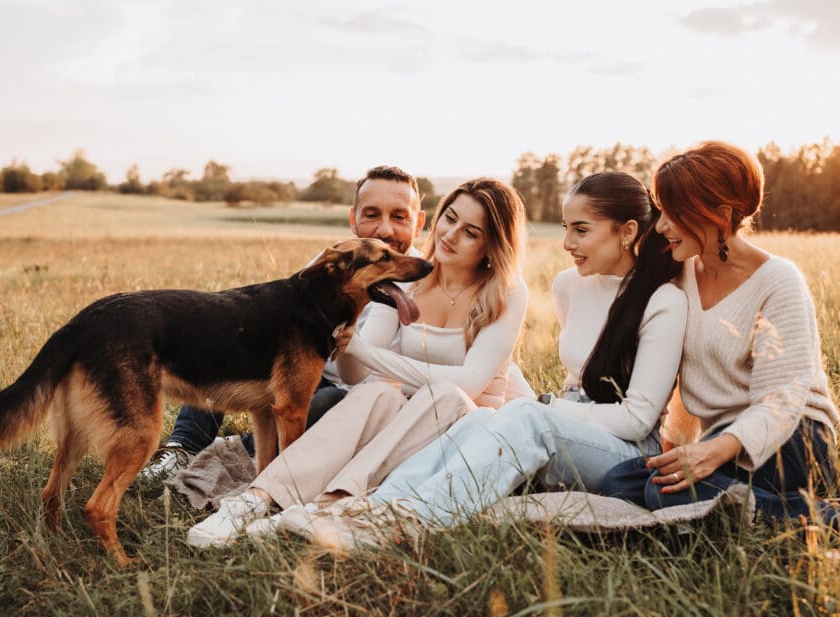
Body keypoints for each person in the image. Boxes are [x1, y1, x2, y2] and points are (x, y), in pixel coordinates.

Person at [286, 171, 688, 542]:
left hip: (628, 450)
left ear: (627, 231)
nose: (567, 244)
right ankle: (365, 508)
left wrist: (547, 409)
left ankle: (409, 521)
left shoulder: (664, 301)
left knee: (527, 417)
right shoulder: (569, 285)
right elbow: (574, 382)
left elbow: (636, 421)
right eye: (567, 229)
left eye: (581, 230)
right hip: (572, 423)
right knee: (480, 418)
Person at [186, 178, 530, 547]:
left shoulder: (506, 290)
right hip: (401, 427)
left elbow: (470, 383)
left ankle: (329, 507)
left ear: (492, 244)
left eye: (471, 232)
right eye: (449, 219)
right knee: (376, 391)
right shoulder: (407, 280)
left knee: (446, 394)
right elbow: (356, 374)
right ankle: (254, 500)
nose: (450, 234)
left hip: (468, 431)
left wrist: (365, 351)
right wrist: (350, 336)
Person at [601, 141, 840, 520]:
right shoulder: (680, 275)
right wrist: (676, 448)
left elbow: (779, 403)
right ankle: (770, 509)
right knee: (618, 483)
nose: (662, 226)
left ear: (721, 215)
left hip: (794, 438)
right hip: (723, 439)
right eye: (661, 211)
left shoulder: (778, 281)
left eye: (673, 213)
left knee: (666, 494)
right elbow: (689, 375)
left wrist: (714, 451)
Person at [141, 165, 428, 478]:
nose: (384, 229)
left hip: (355, 395)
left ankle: (234, 449)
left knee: (332, 403)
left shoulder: (425, 280)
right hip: (297, 368)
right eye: (371, 214)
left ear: (419, 222)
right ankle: (183, 446)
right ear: (353, 218)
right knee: (224, 345)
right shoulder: (332, 262)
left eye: (399, 216)